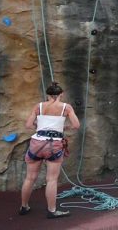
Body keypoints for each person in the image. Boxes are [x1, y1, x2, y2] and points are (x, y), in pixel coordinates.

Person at [19, 81, 81, 219]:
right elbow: (76, 125)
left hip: (37, 143)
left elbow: (28, 125)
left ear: (47, 95)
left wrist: (40, 125)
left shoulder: (39, 106)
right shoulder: (66, 107)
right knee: (52, 179)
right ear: (61, 94)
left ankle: (24, 207)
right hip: (54, 145)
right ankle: (52, 211)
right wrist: (64, 128)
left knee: (30, 178)